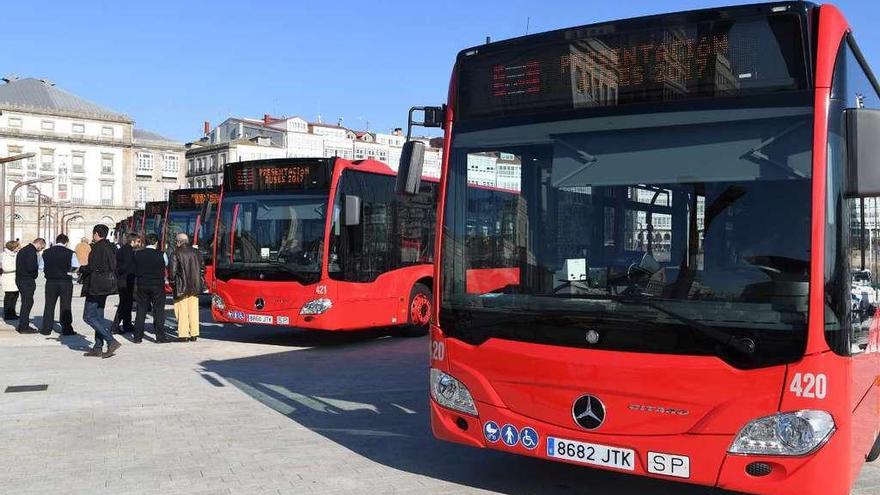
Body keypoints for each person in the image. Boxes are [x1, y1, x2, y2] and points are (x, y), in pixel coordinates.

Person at [80, 225, 121, 358]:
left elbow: (93, 267)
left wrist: (81, 269)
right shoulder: (111, 247)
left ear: (96, 233)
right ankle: (98, 347)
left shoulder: (97, 248)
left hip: (96, 286)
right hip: (106, 286)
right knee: (99, 317)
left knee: (88, 316)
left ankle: (111, 340)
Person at [133, 233, 168, 344]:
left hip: (142, 284)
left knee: (141, 310)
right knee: (158, 311)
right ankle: (160, 337)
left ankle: (137, 337)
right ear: (156, 243)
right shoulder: (162, 254)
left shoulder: (137, 254)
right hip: (157, 285)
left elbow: (135, 267)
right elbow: (166, 264)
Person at [40, 234, 77, 336]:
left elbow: (41, 267)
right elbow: (75, 266)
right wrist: (68, 271)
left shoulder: (46, 252)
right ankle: (66, 329)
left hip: (51, 281)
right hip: (65, 281)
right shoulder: (70, 252)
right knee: (66, 305)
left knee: (49, 305)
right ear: (66, 242)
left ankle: (46, 329)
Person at [170, 233, 203, 342]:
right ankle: (194, 333)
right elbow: (202, 269)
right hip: (195, 286)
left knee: (181, 310)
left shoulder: (175, 253)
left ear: (178, 242)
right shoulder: (197, 252)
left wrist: (173, 283)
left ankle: (184, 334)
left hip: (181, 287)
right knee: (193, 310)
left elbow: (172, 273)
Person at [15, 238, 46, 333]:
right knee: (27, 303)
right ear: (39, 244)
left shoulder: (23, 250)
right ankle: (24, 326)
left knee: (26, 302)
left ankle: (22, 324)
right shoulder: (31, 252)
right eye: (42, 247)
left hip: (20, 279)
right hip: (27, 281)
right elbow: (31, 267)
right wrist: (35, 272)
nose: (41, 249)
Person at [111, 233, 138, 334]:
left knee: (127, 304)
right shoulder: (129, 251)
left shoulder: (122, 249)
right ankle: (115, 326)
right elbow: (126, 266)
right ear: (132, 241)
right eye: (137, 242)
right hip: (126, 280)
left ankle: (127, 324)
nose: (138, 244)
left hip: (123, 280)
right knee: (124, 304)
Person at [2, 240, 20, 321]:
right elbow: (5, 268)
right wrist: (18, 268)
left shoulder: (14, 254)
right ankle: (7, 314)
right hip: (8, 279)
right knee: (9, 297)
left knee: (15, 296)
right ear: (13, 247)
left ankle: (12, 313)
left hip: (14, 279)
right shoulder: (5, 255)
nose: (18, 249)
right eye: (17, 247)